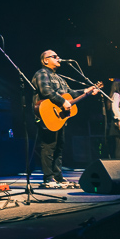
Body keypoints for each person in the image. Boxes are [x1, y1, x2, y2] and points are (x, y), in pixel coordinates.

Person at [33, 50, 83, 187]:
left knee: (59, 146)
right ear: (45, 60)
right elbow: (45, 91)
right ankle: (48, 178)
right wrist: (62, 101)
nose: (58, 58)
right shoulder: (42, 73)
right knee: (48, 146)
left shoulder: (60, 78)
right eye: (54, 57)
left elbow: (70, 93)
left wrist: (86, 91)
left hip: (59, 117)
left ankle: (58, 176)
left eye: (58, 56)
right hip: (46, 114)